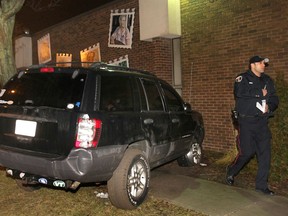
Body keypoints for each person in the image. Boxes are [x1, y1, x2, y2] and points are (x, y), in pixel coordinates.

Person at [226, 55, 279, 195]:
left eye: (265, 63)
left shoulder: (267, 80)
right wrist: (259, 93)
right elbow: (239, 92)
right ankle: (231, 171)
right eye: (261, 63)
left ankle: (261, 186)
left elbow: (274, 98)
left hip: (262, 122)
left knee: (265, 154)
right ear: (253, 65)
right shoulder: (242, 79)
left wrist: (270, 106)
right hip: (246, 122)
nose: (264, 65)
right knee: (247, 152)